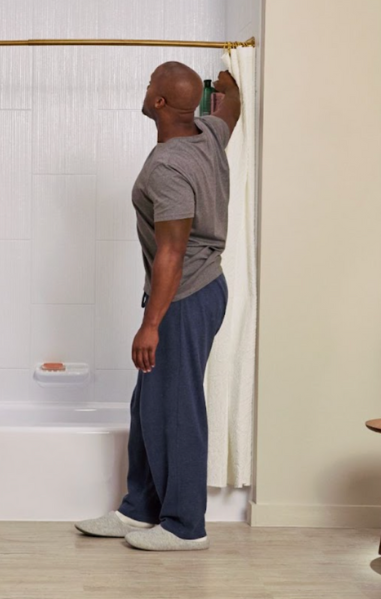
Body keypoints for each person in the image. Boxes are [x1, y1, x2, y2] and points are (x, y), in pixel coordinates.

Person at [75, 62, 240, 551]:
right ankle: (140, 510)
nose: (145, 90)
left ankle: (186, 526)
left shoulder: (168, 166)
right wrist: (228, 82)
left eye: (151, 84)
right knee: (149, 401)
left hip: (185, 295)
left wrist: (151, 324)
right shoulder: (207, 132)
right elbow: (228, 108)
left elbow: (171, 249)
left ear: (161, 103)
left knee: (178, 407)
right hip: (193, 290)